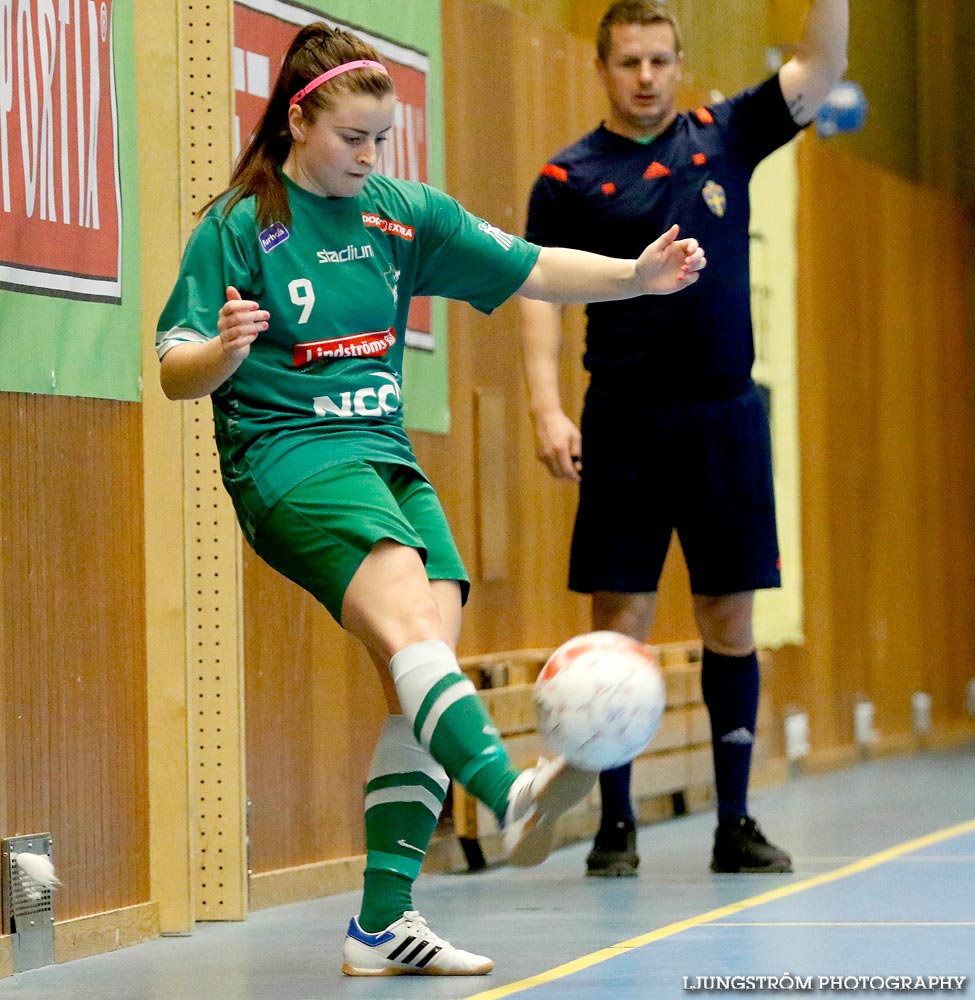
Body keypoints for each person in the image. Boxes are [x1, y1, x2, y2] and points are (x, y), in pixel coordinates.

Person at [155, 21, 705, 978]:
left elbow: (530, 264)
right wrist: (222, 351)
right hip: (287, 462)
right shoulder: (241, 225)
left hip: (384, 458)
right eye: (352, 139)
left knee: (422, 666)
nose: (369, 159)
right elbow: (173, 369)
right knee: (410, 614)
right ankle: (508, 787)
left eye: (380, 141)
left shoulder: (401, 214)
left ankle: (380, 926)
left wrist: (637, 280)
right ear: (298, 123)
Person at [520, 0, 848, 878]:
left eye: (660, 60)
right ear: (602, 69)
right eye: (628, 62)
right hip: (624, 419)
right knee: (617, 622)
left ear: (678, 61)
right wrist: (546, 407)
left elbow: (817, 70)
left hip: (724, 415)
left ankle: (733, 821)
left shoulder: (727, 134)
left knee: (728, 617)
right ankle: (614, 826)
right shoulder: (567, 178)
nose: (646, 77)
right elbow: (538, 292)